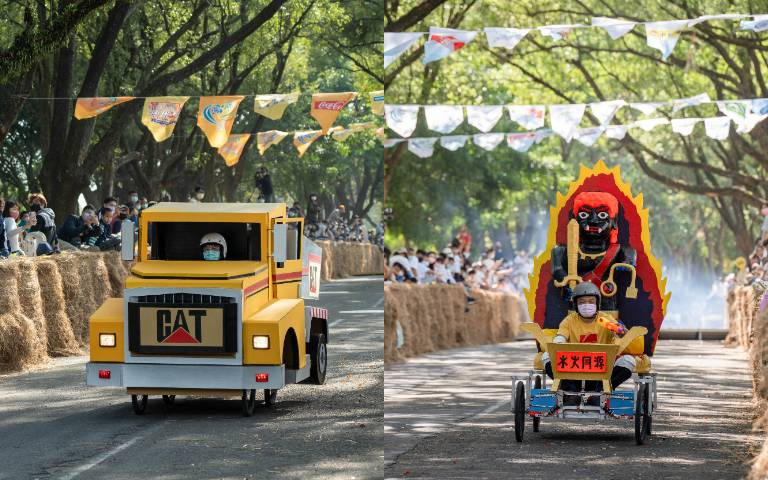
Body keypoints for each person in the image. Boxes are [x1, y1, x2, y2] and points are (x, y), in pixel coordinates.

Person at [542, 282, 633, 405]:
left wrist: (621, 330)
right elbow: (561, 337)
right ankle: (570, 393)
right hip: (573, 371)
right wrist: (558, 342)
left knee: (628, 361)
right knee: (547, 356)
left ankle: (600, 393)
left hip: (602, 372)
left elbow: (621, 332)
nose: (587, 305)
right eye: (582, 302)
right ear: (576, 305)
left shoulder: (604, 319)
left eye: (591, 301)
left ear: (597, 303)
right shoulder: (569, 321)